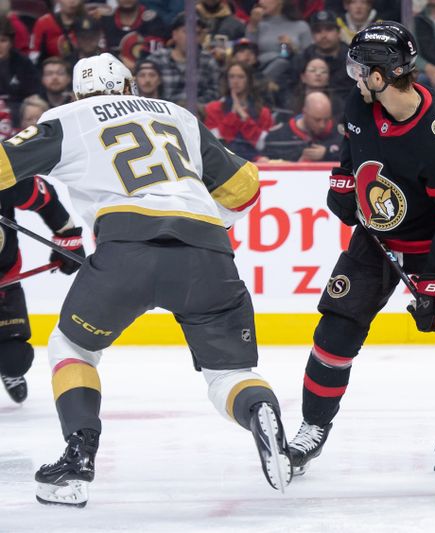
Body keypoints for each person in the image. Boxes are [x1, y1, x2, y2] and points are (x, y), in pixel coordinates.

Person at [0, 53, 292, 506]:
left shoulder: (67, 118)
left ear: (79, 94)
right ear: (130, 84)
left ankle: (78, 458)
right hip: (207, 249)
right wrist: (206, 223)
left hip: (126, 249)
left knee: (73, 347)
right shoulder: (178, 115)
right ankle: (259, 410)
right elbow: (245, 186)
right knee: (229, 373)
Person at [285, 22, 435, 481]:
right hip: (377, 243)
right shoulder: (359, 106)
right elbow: (351, 158)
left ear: (381, 75)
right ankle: (312, 428)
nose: (354, 76)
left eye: (361, 69)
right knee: (335, 331)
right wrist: (343, 184)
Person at [0, 175, 84, 404]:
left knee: (15, 359)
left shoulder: (1, 173)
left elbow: (43, 195)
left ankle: (8, 370)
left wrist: (68, 237)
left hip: (4, 285)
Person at [205, 61, 274, 161]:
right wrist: (232, 115)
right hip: (223, 162)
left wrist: (245, 118)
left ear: (248, 80)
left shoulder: (263, 113)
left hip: (255, 162)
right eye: (232, 77)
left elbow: (263, 144)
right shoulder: (213, 109)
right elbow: (217, 143)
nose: (235, 81)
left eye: (241, 77)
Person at [148, 13, 220, 107]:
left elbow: (214, 94)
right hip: (163, 114)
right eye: (187, 32)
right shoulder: (157, 59)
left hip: (197, 116)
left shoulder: (208, 61)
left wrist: (193, 107)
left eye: (197, 33)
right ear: (174, 34)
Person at [261, 90, 342, 162]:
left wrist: (327, 153)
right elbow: (268, 162)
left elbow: (350, 155)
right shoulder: (279, 136)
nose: (322, 125)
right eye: (317, 120)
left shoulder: (338, 133)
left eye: (326, 119)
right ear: (304, 113)